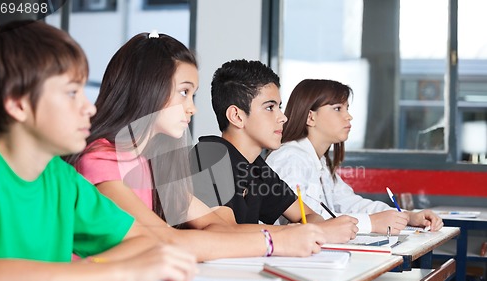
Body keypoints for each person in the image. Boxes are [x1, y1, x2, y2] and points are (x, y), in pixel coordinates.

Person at [0, 20, 197, 281]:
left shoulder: (61, 179)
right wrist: (115, 273)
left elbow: (144, 241)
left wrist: (93, 272)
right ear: (18, 104)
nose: (90, 108)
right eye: (72, 93)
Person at [68, 32, 328, 260]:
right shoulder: (101, 159)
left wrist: (288, 235)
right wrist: (275, 241)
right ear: (148, 88)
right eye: (184, 92)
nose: (192, 108)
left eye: (193, 95)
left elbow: (217, 228)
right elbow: (163, 240)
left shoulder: (156, 160)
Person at [190, 59, 359, 243]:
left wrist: (307, 229)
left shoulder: (257, 167)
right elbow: (226, 233)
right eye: (270, 108)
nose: (283, 117)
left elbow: (309, 216)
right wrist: (295, 233)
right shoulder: (208, 157)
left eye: (279, 106)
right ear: (237, 116)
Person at [266, 79, 443, 234]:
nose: (349, 116)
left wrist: (406, 216)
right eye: (337, 109)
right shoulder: (290, 158)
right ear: (310, 117)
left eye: (347, 108)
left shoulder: (319, 161)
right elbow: (309, 220)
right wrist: (372, 223)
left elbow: (349, 203)